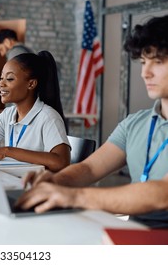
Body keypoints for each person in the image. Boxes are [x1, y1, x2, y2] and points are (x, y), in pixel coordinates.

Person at [16, 15, 168, 228]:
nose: (145, 73)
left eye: (158, 62)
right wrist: (55, 181)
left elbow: (162, 194)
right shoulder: (135, 123)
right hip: (136, 231)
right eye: (143, 62)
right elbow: (89, 168)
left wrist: (74, 196)